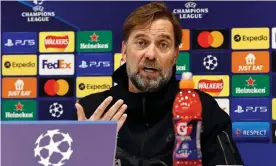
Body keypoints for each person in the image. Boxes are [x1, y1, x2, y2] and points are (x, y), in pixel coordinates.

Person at [73, 2, 244, 166]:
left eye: (163, 44)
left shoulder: (203, 109)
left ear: (175, 55)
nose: (151, 54)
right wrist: (88, 156)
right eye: (141, 42)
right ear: (124, 50)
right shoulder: (91, 111)